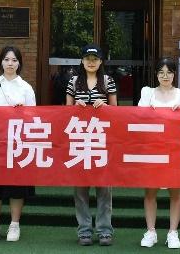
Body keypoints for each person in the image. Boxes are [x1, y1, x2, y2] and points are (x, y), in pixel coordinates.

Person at [0, 45, 36, 242]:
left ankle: (14, 224)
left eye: (14, 60)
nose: (10, 63)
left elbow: (34, 117)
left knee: (16, 186)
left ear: (19, 63)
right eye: (6, 59)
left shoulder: (26, 87)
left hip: (18, 144)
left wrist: (23, 111)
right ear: (1, 62)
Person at [137, 56, 180, 250]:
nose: (165, 76)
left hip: (176, 149)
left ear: (174, 74)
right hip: (152, 149)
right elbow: (138, 118)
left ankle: (173, 232)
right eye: (161, 72)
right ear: (156, 74)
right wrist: (148, 112)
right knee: (150, 192)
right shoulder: (147, 93)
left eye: (169, 72)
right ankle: (151, 231)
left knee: (175, 192)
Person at [66, 43, 118, 246]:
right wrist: (75, 106)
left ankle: (105, 230)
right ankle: (84, 231)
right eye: (87, 58)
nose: (91, 62)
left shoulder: (108, 81)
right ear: (82, 61)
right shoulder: (73, 81)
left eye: (95, 59)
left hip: (101, 139)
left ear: (101, 61)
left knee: (104, 187)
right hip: (79, 139)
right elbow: (65, 112)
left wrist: (104, 106)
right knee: (80, 188)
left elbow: (116, 111)